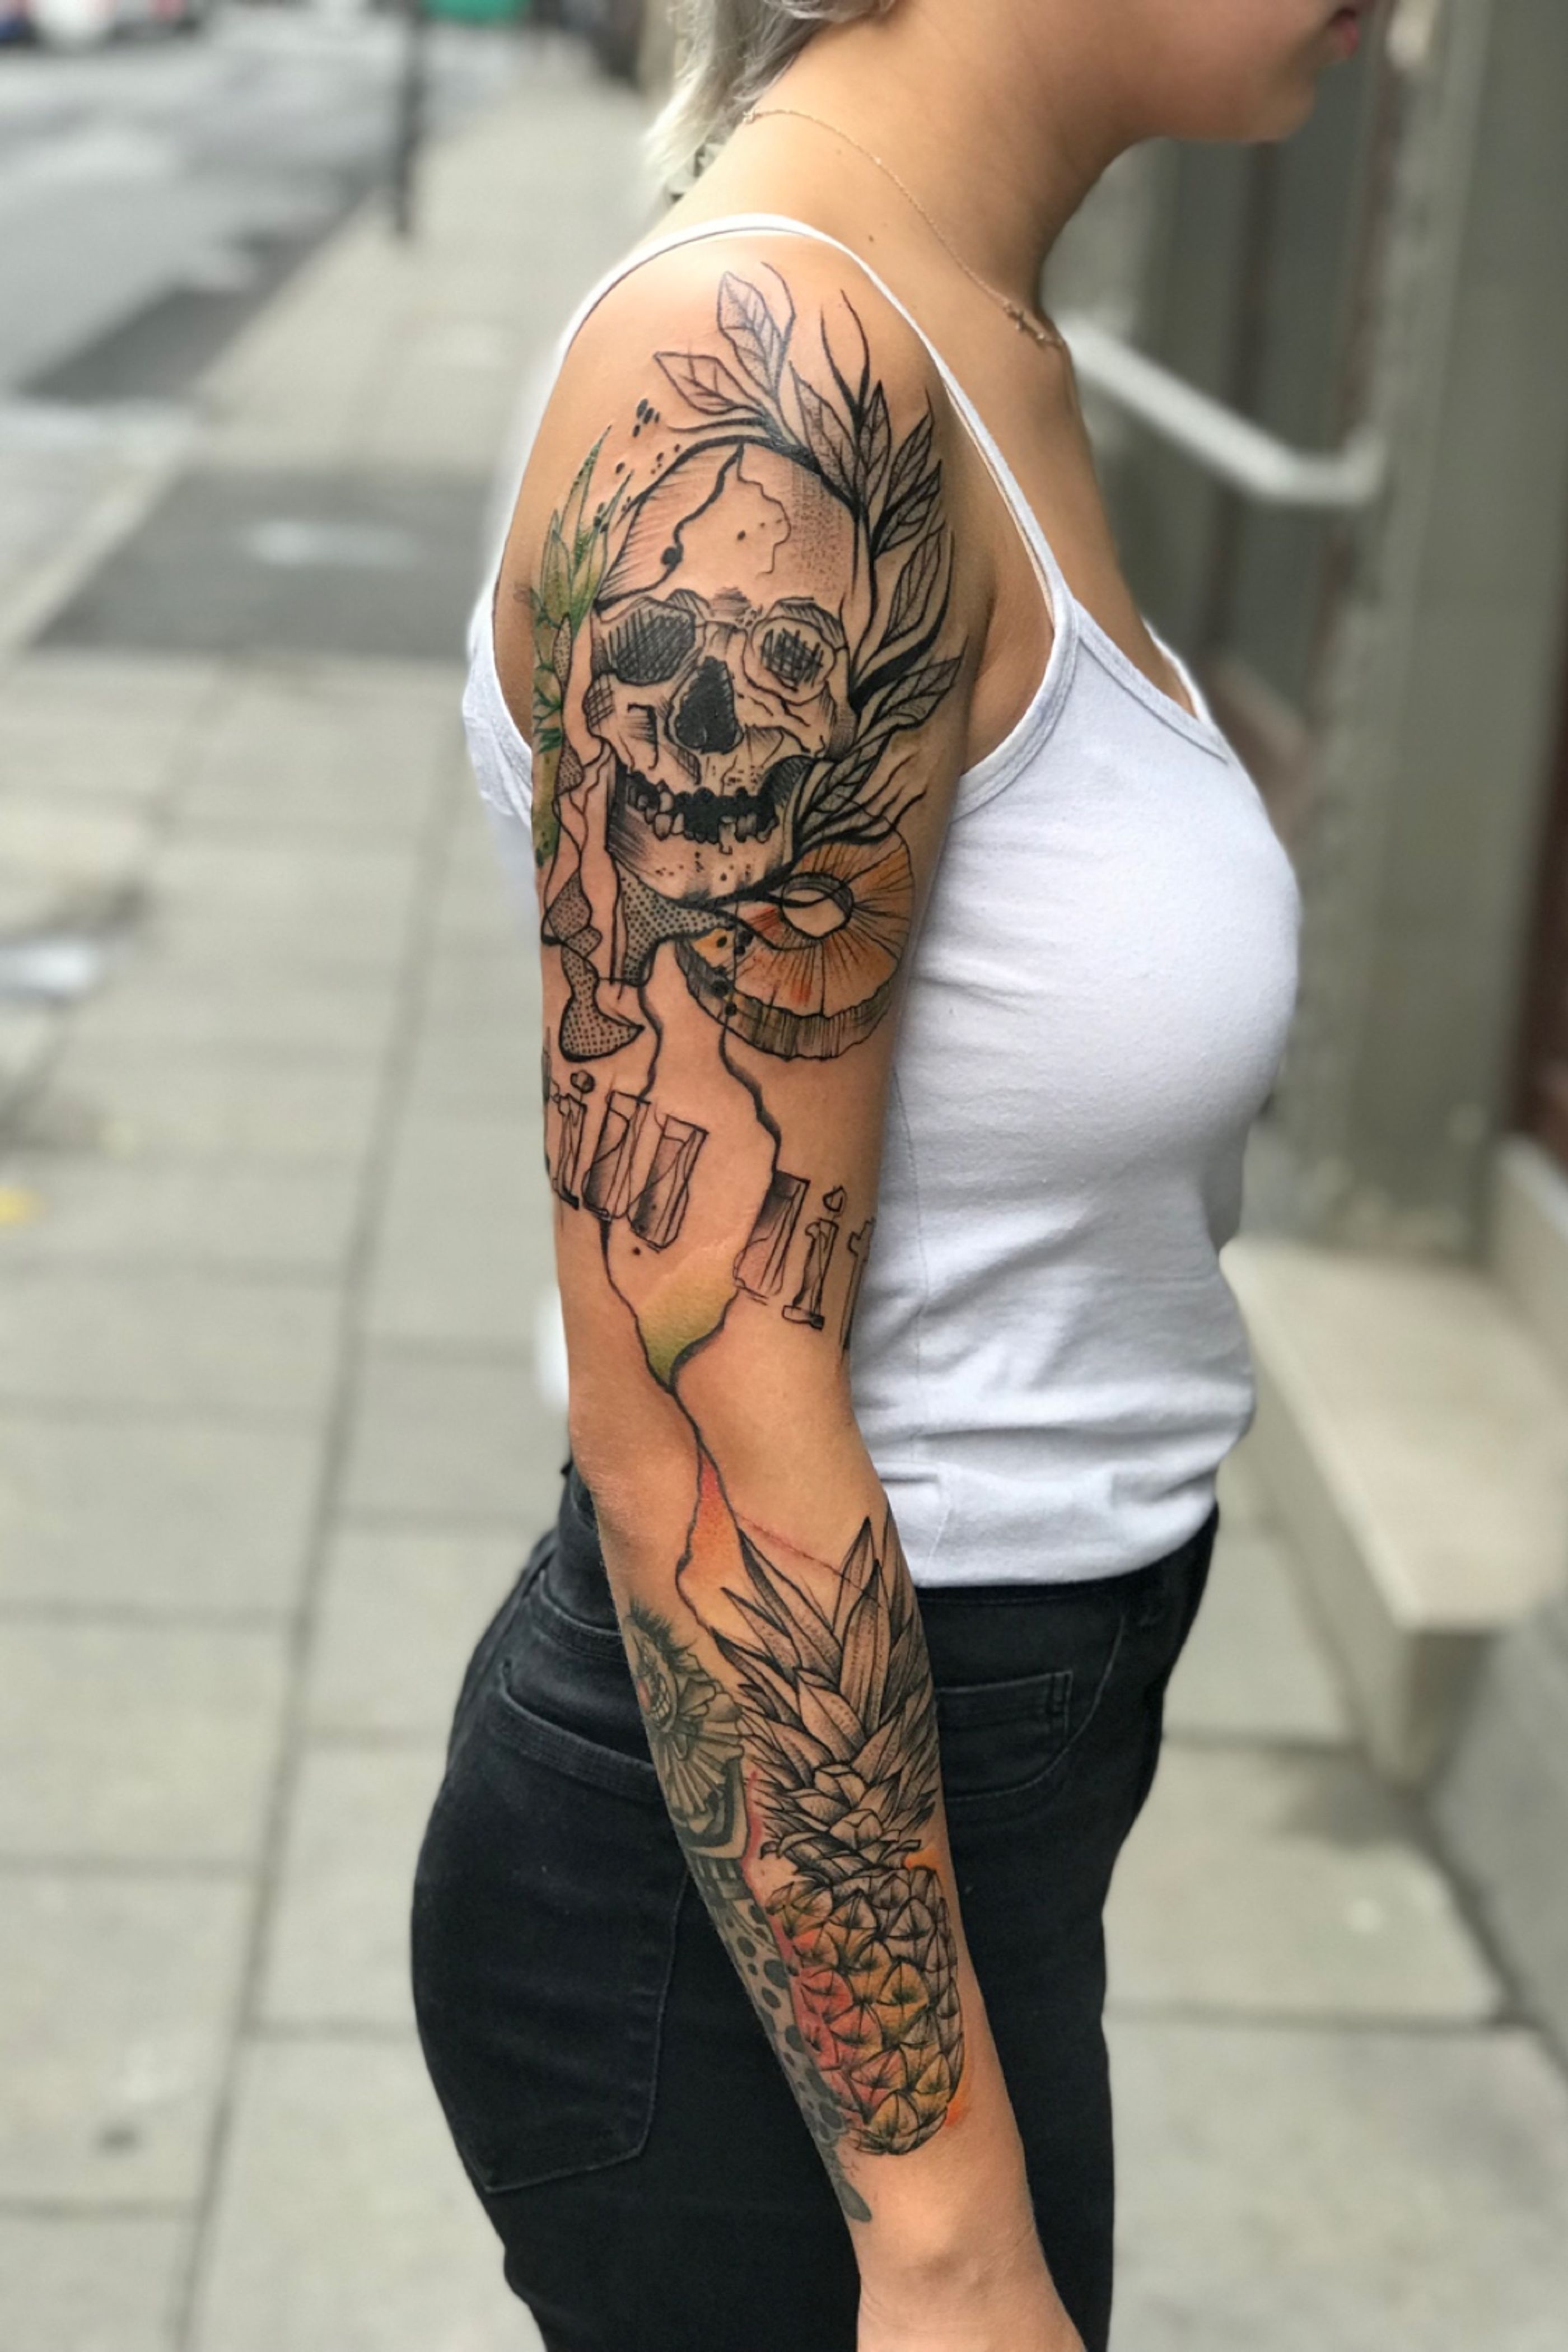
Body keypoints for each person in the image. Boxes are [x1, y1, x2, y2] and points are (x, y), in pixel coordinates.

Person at [412, 3, 1357, 2345]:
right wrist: (944, 2236)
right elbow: (695, 1409)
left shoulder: (966, 324)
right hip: (771, 1904)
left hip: (952, 1814)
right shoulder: (773, 372)